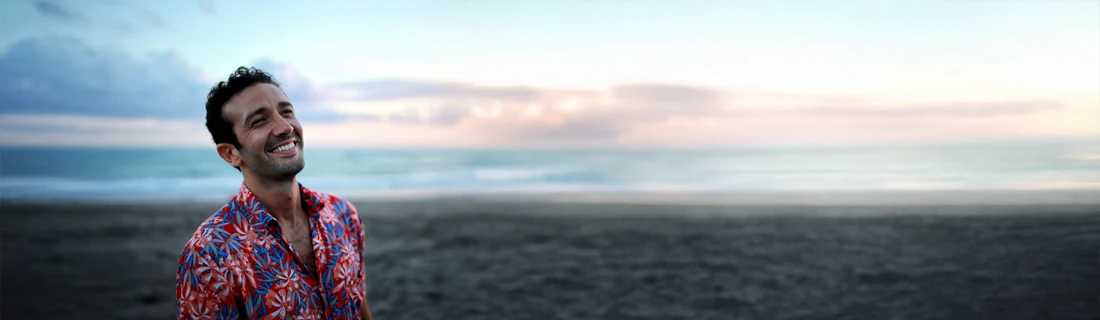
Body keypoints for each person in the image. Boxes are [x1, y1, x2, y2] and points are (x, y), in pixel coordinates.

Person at [176, 66, 373, 320]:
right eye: (260, 121)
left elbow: (359, 307)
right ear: (230, 153)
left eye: (287, 112)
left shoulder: (343, 215)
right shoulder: (208, 255)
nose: (285, 127)